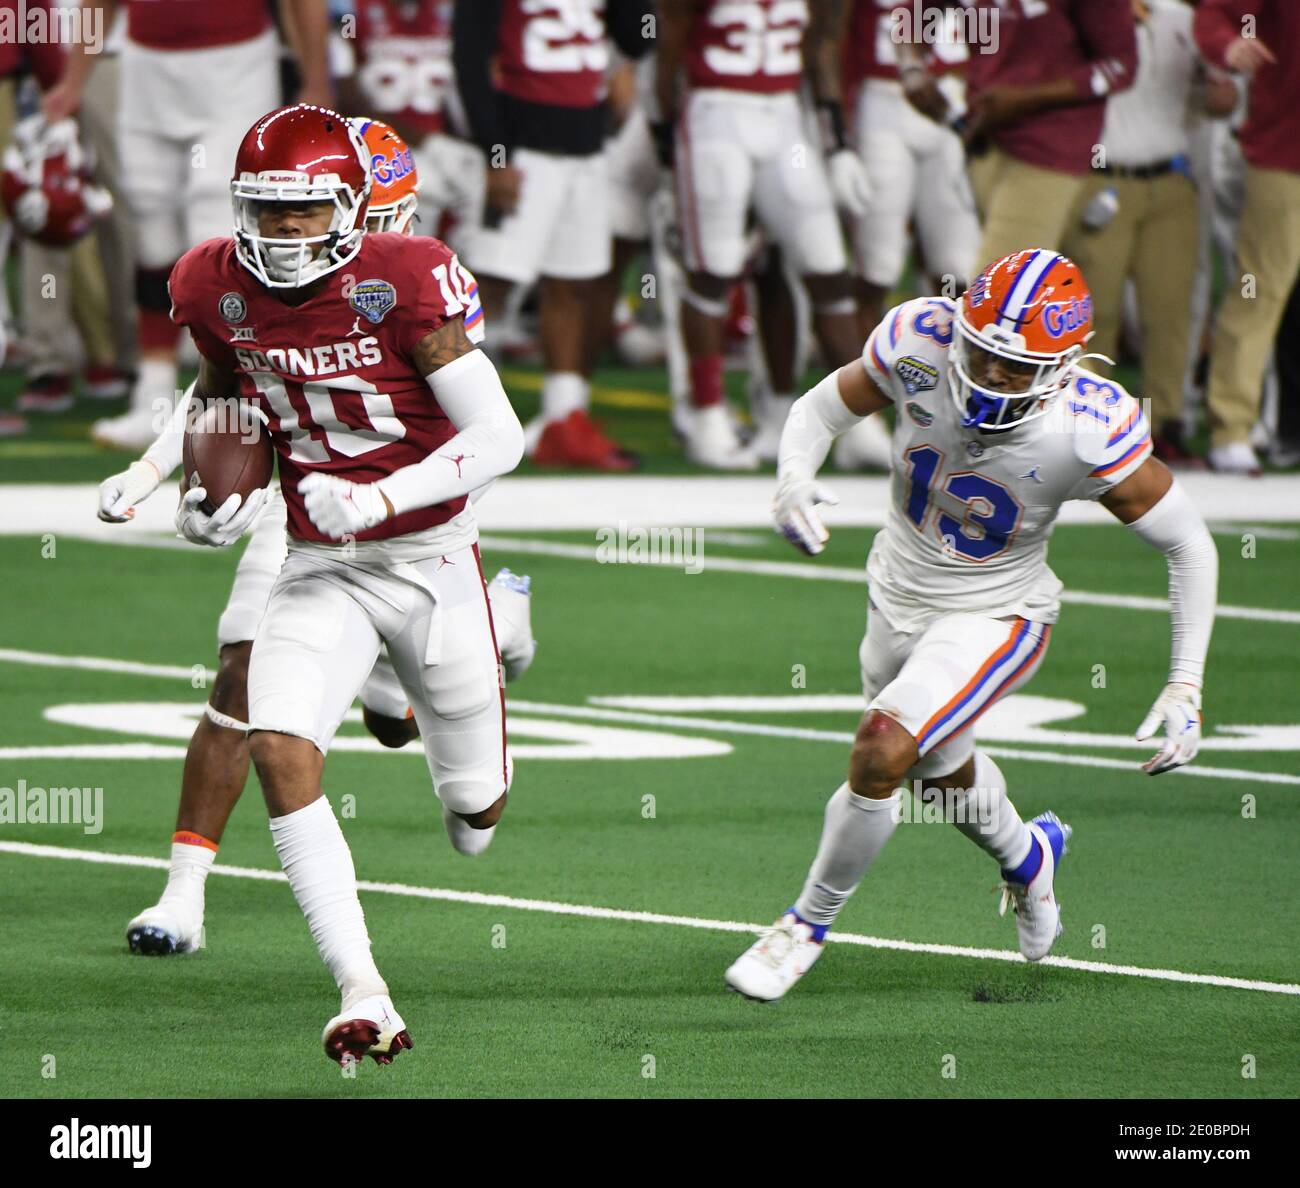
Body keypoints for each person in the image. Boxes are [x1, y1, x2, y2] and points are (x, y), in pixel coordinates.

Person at [95, 117, 536, 969]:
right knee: (244, 677)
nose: (281, 238)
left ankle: (498, 620)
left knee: (474, 819)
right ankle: (206, 903)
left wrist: (378, 498)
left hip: (418, 525)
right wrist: (175, 481)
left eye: (305, 216)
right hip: (309, 524)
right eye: (263, 213)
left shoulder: (410, 280)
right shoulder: (217, 283)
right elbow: (224, 396)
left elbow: (490, 435)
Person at [726, 248, 1218, 1001]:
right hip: (894, 591)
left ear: (1062, 368)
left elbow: (1187, 542)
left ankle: (803, 927)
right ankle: (1030, 858)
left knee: (882, 749)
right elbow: (819, 410)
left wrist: (1186, 681)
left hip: (998, 612)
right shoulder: (919, 342)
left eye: (1015, 368)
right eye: (983, 354)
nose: (990, 377)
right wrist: (794, 476)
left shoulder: (1089, 426)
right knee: (938, 777)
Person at [44, 0, 332, 452]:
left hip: (235, 63)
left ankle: (240, 396)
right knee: (150, 220)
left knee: (215, 225)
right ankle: (154, 395)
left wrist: (317, 78)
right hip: (146, 64)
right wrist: (73, 83)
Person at [655, 0, 871, 469]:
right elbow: (669, 40)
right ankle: (707, 412)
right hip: (715, 113)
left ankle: (855, 421)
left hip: (785, 120)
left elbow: (820, 47)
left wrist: (835, 145)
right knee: (713, 269)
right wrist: (664, 139)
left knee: (828, 268)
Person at [453, 0, 651, 471]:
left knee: (574, 284)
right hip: (523, 144)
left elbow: (638, 37)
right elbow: (469, 60)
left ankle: (564, 419)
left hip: (587, 143)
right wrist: (495, 154)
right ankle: (439, 411)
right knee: (490, 286)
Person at [1062, 0, 1237, 468]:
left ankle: (1167, 426)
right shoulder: (1090, 15)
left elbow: (1211, 98)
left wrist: (1222, 99)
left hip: (1171, 177)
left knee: (1170, 309)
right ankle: (1087, 429)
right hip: (1103, 175)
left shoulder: (1183, 20)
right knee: (1097, 309)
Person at [1194, 0, 1300, 475]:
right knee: (1260, 289)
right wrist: (1230, 44)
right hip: (1286, 155)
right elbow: (1215, 15)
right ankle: (1231, 426)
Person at [958, 0, 1137, 266]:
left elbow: (1122, 64)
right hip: (986, 141)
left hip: (1051, 146)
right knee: (1032, 288)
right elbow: (911, 14)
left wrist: (1027, 99)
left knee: (998, 294)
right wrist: (912, 69)